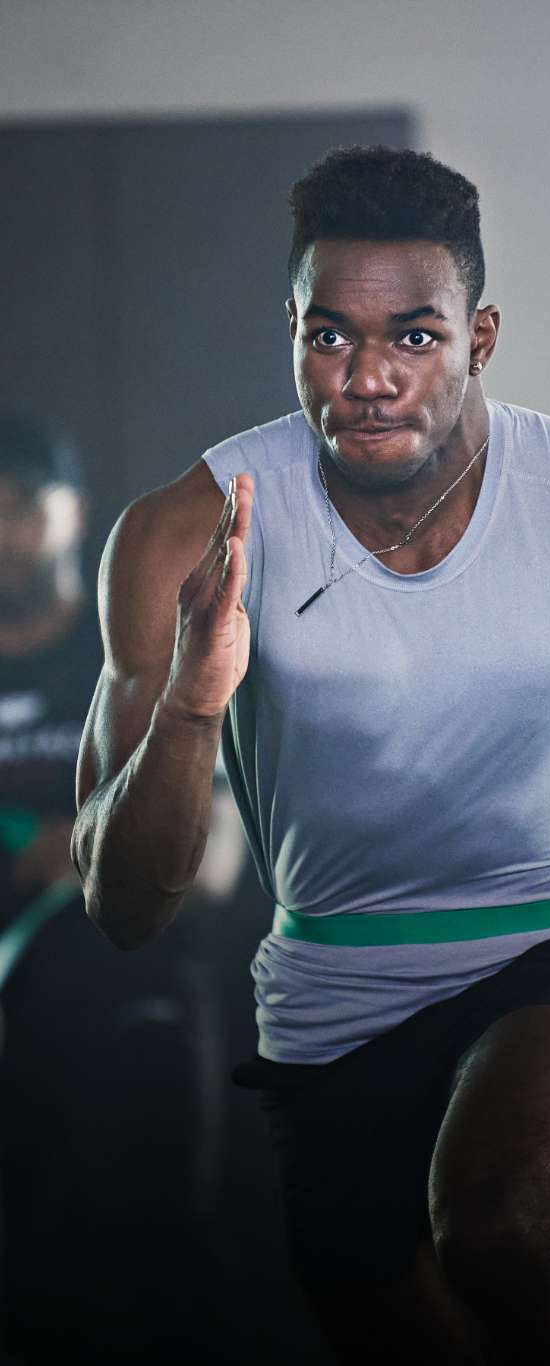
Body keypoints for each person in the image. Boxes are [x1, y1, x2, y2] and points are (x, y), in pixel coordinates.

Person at [71, 147, 550, 1366]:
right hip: (330, 991)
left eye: (412, 338)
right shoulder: (187, 533)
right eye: (330, 337)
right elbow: (122, 905)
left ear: (479, 337)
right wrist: (196, 706)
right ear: (292, 331)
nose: (366, 379)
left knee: (493, 1232)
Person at [0, 412, 247, 1364]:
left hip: (125, 1007)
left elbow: (216, 859)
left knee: (144, 1260)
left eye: (24, 502)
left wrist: (101, 839)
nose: (5, 529)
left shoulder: (128, 657)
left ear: (76, 514)